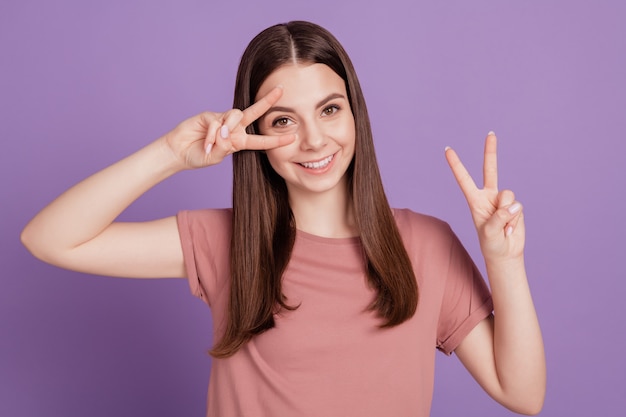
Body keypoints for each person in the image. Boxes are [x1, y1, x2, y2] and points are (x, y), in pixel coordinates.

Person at [21, 20, 545, 417]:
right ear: (257, 137)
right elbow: (50, 239)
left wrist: (506, 262)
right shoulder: (226, 243)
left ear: (356, 114)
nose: (315, 139)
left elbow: (522, 393)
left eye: (330, 109)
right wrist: (170, 153)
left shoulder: (427, 243)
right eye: (283, 120)